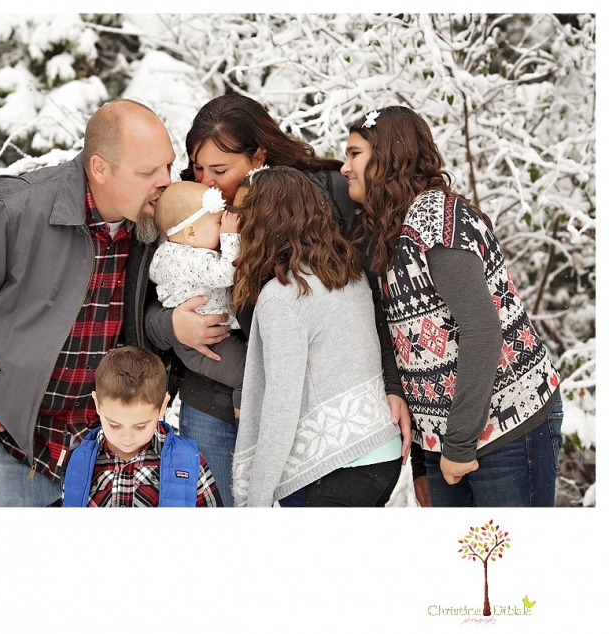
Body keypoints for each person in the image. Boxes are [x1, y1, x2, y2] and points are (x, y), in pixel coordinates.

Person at [144, 94, 412, 507]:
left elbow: (378, 297)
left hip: (305, 417)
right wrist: (171, 325)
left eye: (220, 169)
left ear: (258, 158)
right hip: (212, 398)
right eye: (198, 168)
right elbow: (148, 293)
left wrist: (392, 383)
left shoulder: (321, 197)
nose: (208, 183)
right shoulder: (186, 205)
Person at [0, 98, 175, 507]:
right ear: (99, 168)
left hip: (102, 444)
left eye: (169, 166)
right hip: (4, 438)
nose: (166, 181)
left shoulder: (157, 225)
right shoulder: (12, 210)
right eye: (148, 171)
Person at [342, 105, 563, 506]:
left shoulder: (436, 221)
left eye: (354, 153)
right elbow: (408, 345)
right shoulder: (391, 229)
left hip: (505, 432)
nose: (345, 167)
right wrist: (426, 462)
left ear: (388, 155)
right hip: (448, 444)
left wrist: (457, 446)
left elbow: (482, 333)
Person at [230, 166, 406, 507]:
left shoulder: (283, 298)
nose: (233, 225)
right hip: (380, 455)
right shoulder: (345, 273)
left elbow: (281, 405)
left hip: (332, 468)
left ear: (261, 224)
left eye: (241, 215)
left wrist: (257, 501)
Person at [62, 346, 222, 507]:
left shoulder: (188, 461)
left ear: (162, 407)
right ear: (97, 404)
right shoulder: (78, 460)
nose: (127, 437)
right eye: (114, 425)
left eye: (140, 426)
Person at [149, 181, 246, 418]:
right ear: (191, 233)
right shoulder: (189, 259)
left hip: (205, 338)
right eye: (217, 223)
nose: (222, 226)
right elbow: (226, 273)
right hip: (207, 344)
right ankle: (245, 426)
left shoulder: (170, 252)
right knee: (248, 374)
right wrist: (231, 237)